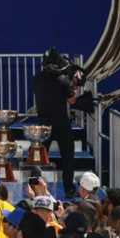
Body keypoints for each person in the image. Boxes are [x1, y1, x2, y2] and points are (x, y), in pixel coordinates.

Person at [29, 50, 82, 191]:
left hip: (43, 123)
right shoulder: (63, 80)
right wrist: (74, 85)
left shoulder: (37, 78)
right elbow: (72, 100)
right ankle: (69, 188)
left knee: (38, 158)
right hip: (61, 123)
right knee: (67, 157)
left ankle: (34, 187)